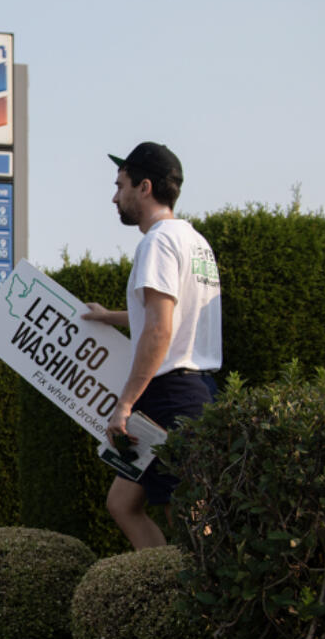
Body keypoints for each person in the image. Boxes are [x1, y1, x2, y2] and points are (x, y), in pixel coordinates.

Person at [81, 142, 222, 550]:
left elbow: (160, 331)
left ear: (144, 187)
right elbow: (170, 318)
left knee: (189, 517)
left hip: (170, 397)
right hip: (196, 390)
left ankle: (199, 607)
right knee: (123, 502)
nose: (114, 196)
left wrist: (124, 404)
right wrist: (109, 316)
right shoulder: (195, 242)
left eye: (120, 185)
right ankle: (165, 590)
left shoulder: (157, 243)